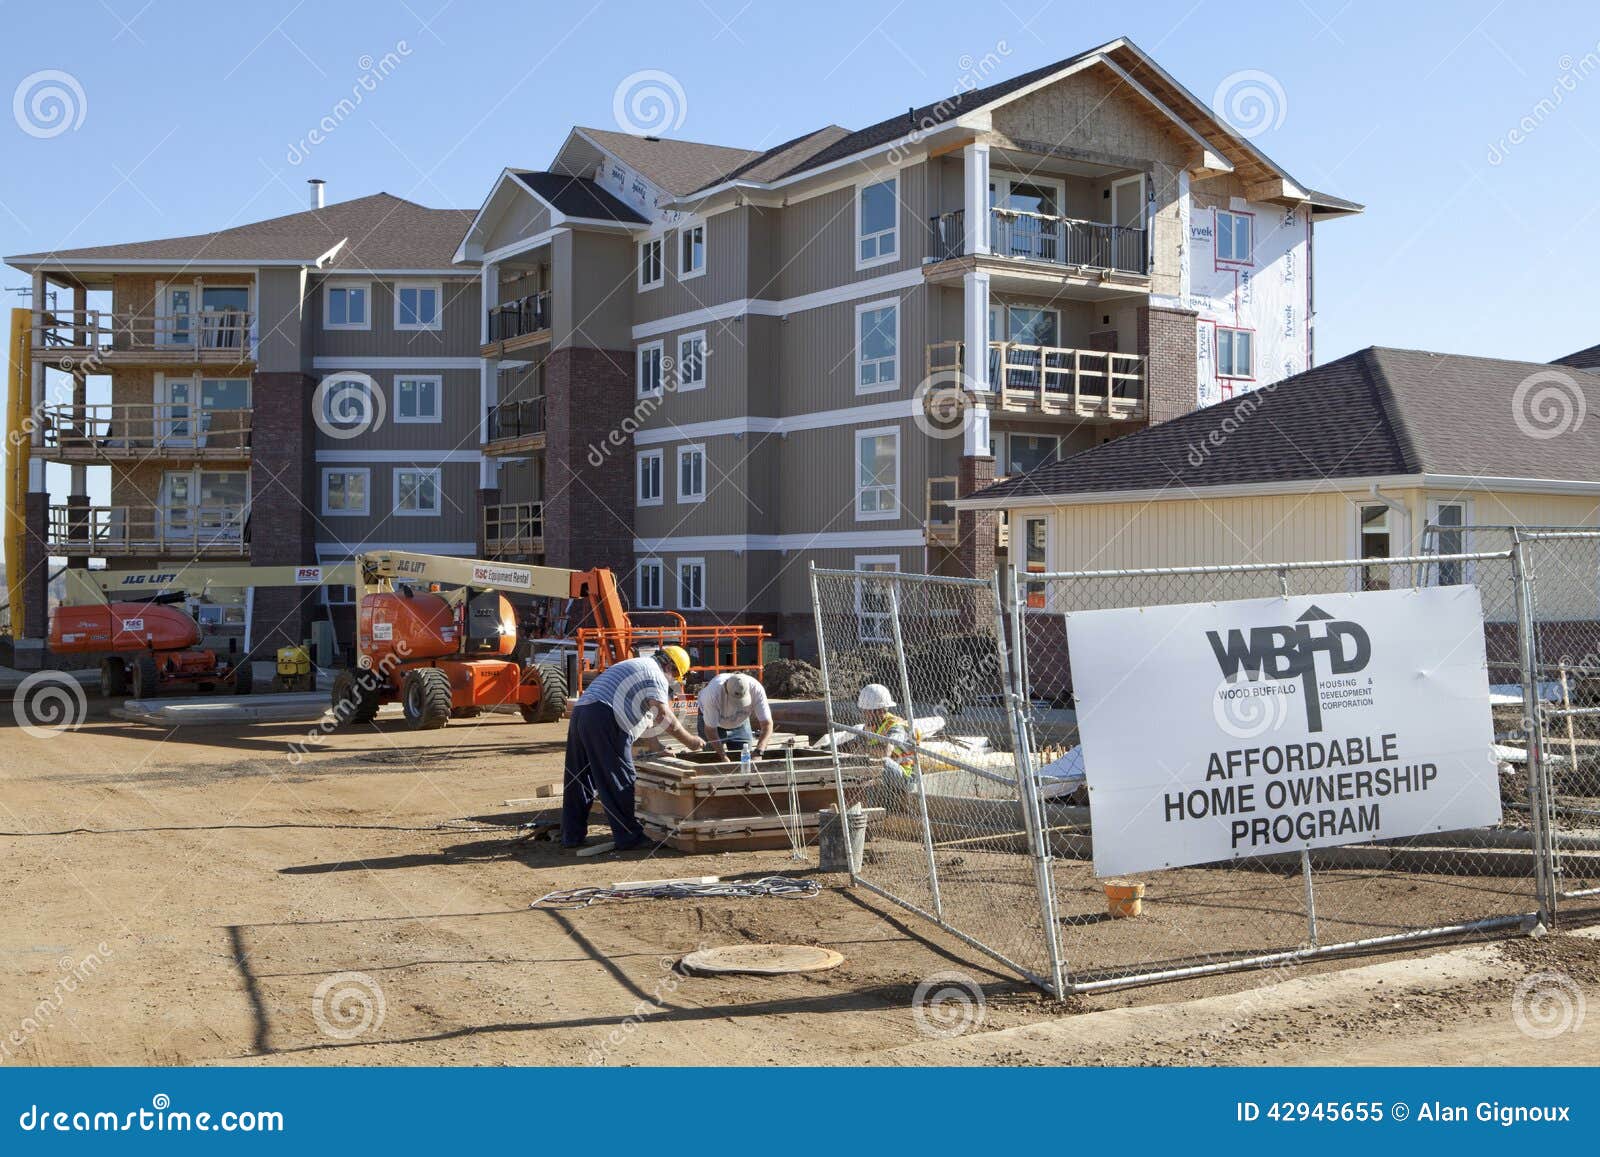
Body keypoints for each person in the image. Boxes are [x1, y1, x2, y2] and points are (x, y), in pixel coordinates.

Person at [562, 645, 704, 851]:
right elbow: (663, 716)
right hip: (605, 717)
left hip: (583, 713)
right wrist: (691, 741)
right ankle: (630, 837)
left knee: (580, 778)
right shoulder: (655, 674)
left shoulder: (637, 666)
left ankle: (571, 835)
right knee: (619, 778)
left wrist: (658, 748)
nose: (673, 681)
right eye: (675, 676)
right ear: (670, 667)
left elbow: (648, 721)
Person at [856, 683, 921, 790]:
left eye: (865, 711)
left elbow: (886, 751)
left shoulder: (896, 727)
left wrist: (864, 749)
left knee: (883, 762)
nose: (863, 714)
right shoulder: (871, 726)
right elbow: (855, 745)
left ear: (878, 711)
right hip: (887, 775)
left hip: (906, 777)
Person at [696, 671, 774, 757]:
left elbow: (767, 724)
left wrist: (759, 751)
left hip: (740, 723)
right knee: (711, 760)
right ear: (726, 689)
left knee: (745, 757)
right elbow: (710, 730)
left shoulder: (756, 689)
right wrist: (723, 756)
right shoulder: (713, 693)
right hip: (712, 725)